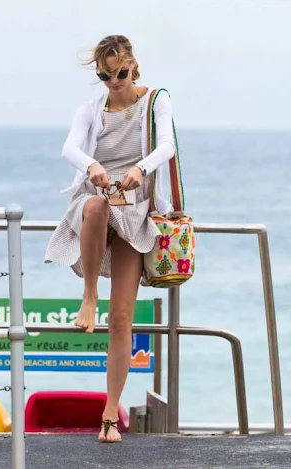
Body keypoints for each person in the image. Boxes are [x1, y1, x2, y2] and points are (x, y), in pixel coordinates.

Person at [44, 35, 176, 442]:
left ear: (133, 66)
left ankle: (107, 417)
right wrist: (92, 164)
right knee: (95, 207)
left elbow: (168, 144)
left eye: (119, 73)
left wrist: (142, 167)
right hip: (98, 202)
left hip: (135, 212)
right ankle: (88, 295)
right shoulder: (90, 109)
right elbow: (69, 147)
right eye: (104, 75)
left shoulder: (155, 101)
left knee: (122, 320)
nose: (113, 82)